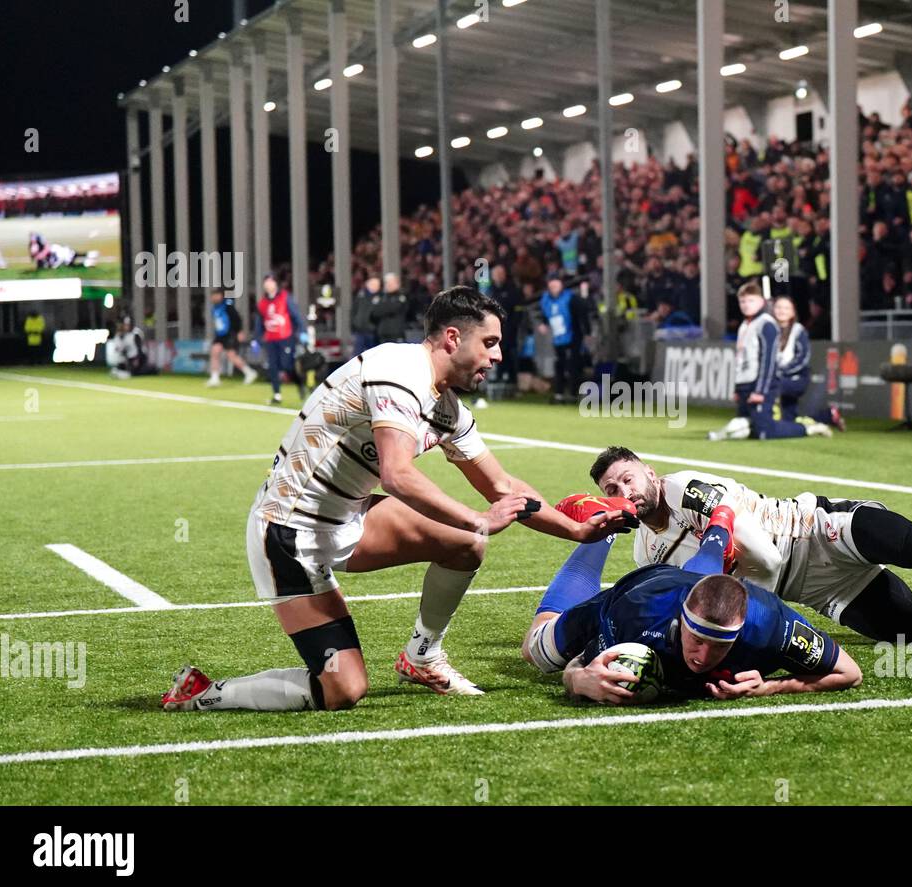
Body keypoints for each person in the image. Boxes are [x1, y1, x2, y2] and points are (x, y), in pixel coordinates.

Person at [162, 287, 636, 712]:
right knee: (343, 691)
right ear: (453, 337)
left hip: (348, 519)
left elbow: (503, 488)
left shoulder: (447, 406)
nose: (497, 355)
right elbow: (398, 475)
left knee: (464, 545)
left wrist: (574, 529)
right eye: (489, 343)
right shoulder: (396, 370)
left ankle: (423, 656)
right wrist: (478, 519)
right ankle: (204, 692)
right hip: (288, 533)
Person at [587, 447, 912, 644]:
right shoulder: (644, 556)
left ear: (649, 472)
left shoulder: (686, 489)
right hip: (820, 590)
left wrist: (765, 625)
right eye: (612, 490)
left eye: (629, 478)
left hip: (818, 530)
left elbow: (767, 560)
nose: (625, 492)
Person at [523, 501, 862, 704]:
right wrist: (578, 680)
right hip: (640, 590)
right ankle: (606, 526)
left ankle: (718, 529)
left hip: (691, 589)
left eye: (719, 645)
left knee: (703, 580)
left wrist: (771, 688)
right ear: (681, 620)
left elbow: (850, 673)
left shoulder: (770, 622)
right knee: (535, 651)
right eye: (697, 639)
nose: (703, 657)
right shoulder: (637, 616)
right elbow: (575, 669)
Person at [708, 281, 831, 440]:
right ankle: (724, 434)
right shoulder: (745, 325)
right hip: (746, 383)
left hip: (764, 383)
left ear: (761, 302)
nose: (746, 305)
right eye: (742, 301)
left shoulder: (766, 324)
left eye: (751, 301)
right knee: (751, 424)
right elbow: (740, 359)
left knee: (765, 431)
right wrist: (737, 387)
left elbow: (768, 360)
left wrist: (761, 390)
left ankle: (809, 428)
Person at [772, 295, 844, 431]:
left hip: (795, 379)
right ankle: (827, 416)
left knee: (772, 388)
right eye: (779, 307)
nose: (782, 311)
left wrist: (781, 372)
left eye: (786, 308)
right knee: (790, 421)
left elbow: (802, 358)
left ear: (793, 312)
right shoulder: (771, 330)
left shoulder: (798, 331)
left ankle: (768, 421)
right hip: (779, 377)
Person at [253, 273, 307, 405]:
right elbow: (259, 322)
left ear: (276, 283)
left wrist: (302, 331)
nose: (268, 284)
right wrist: (257, 339)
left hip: (286, 337)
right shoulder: (262, 303)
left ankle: (300, 384)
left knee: (287, 365)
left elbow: (296, 315)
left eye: (271, 281)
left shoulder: (285, 297)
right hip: (271, 339)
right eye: (266, 282)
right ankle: (277, 395)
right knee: (273, 366)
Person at [540, 274, 580, 403]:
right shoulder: (546, 299)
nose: (554, 288)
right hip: (558, 337)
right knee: (559, 365)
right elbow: (545, 314)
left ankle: (573, 393)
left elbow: (580, 315)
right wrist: (544, 323)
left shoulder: (571, 298)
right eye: (551, 286)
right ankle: (559, 393)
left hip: (573, 336)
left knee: (572, 365)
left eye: (556, 285)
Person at [206, 289, 258, 387]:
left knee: (231, 356)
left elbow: (237, 318)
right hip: (220, 335)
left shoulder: (228, 305)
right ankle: (215, 378)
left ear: (220, 296)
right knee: (214, 352)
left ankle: (249, 372)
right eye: (212, 296)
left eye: (215, 295)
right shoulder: (214, 308)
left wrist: (239, 331)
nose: (213, 298)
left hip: (230, 334)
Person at [373, 272, 409, 346]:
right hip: (383, 335)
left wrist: (383, 307)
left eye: (390, 283)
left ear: (397, 283)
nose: (388, 285)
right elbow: (375, 312)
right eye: (386, 283)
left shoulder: (401, 296)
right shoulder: (381, 297)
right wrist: (387, 306)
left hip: (396, 334)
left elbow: (395, 308)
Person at [351, 275, 381, 358]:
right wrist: (354, 323)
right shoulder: (360, 295)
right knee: (357, 355)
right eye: (374, 284)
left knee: (372, 354)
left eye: (377, 285)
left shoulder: (380, 297)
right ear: (368, 284)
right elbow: (354, 310)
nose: (376, 287)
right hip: (359, 330)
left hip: (372, 331)